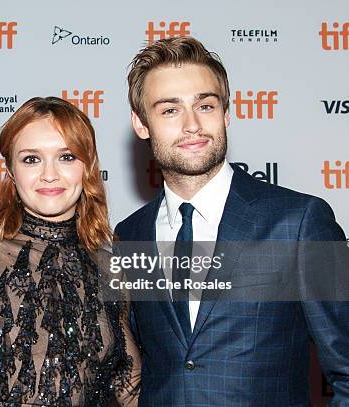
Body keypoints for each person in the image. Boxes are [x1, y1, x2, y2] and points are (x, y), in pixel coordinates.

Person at [114, 36, 349, 406]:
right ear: (141, 123)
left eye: (205, 105)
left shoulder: (298, 222)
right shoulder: (129, 235)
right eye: (170, 110)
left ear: (226, 113)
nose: (192, 124)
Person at [0, 96, 141, 406]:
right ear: (11, 171)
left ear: (87, 166)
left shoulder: (109, 267)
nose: (49, 174)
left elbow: (129, 386)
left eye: (66, 157)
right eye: (31, 159)